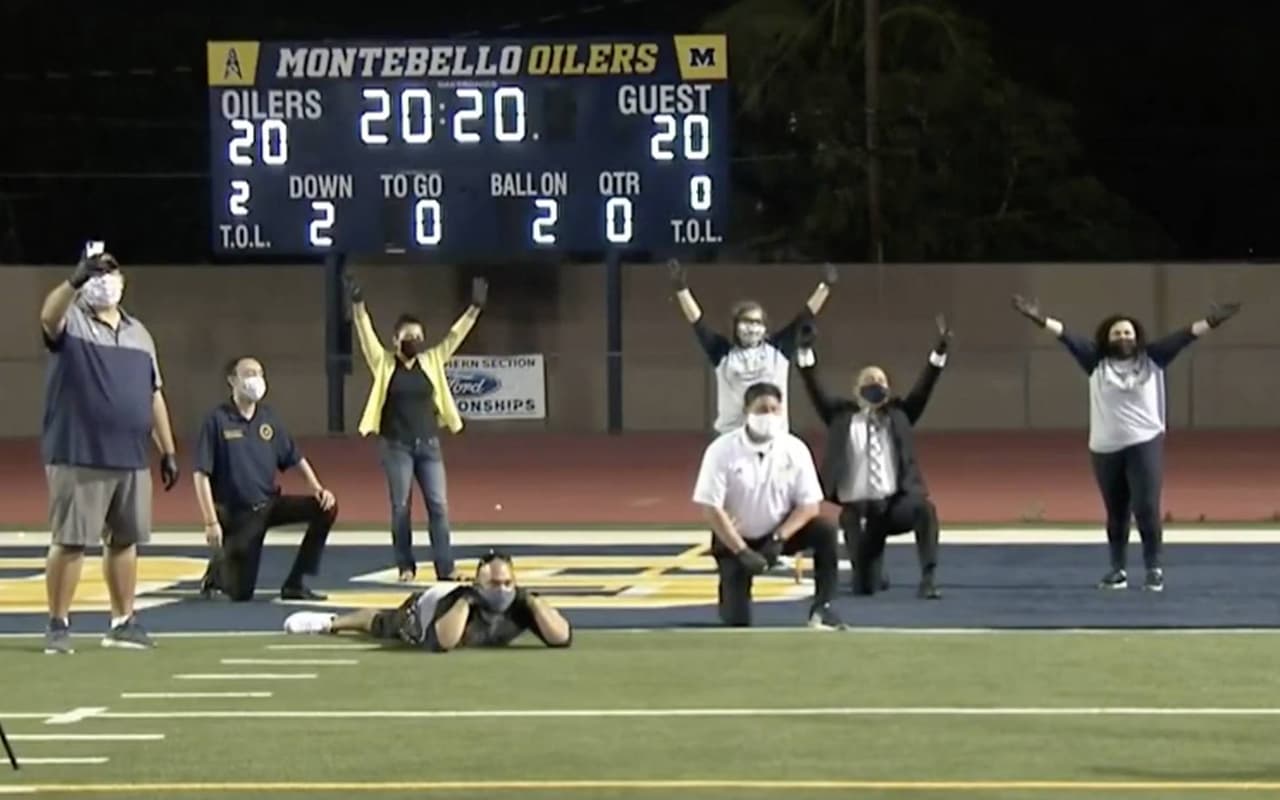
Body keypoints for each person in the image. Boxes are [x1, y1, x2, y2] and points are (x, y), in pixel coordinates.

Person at [1011, 295, 1241, 592]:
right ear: (1107, 338)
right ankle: (1117, 571)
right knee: (1116, 513)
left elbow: (1183, 337)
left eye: (1128, 332)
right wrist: (1039, 319)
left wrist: (1211, 321)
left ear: (1137, 337)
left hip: (1143, 443)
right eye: (1117, 333)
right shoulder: (1096, 362)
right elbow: (1067, 337)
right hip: (1105, 448)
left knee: (1146, 507)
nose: (1123, 337)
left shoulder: (1153, 358)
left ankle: (1153, 569)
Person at [38, 245, 180, 654]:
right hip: (79, 450)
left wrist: (167, 448)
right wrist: (73, 280)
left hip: (130, 454)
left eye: (109, 271)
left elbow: (153, 394)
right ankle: (58, 623)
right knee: (70, 540)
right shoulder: (73, 322)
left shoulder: (139, 332)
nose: (105, 279)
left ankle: (122, 620)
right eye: (96, 272)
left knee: (124, 540)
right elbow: (48, 317)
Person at [795, 317, 950, 600]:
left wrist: (939, 352)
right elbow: (814, 387)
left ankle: (928, 579)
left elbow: (924, 388)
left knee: (925, 510)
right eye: (869, 380)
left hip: (891, 506)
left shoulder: (900, 415)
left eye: (881, 381)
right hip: (856, 510)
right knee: (865, 588)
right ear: (856, 390)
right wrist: (805, 352)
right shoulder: (840, 416)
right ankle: (872, 572)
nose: (875, 384)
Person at [348, 275, 488, 583]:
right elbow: (365, 334)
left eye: (419, 336)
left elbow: (454, 336)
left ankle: (446, 567)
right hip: (395, 445)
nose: (415, 341)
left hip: (429, 445)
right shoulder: (383, 363)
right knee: (401, 507)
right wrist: (358, 305)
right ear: (396, 340)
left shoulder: (432, 360)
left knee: (439, 506)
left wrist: (474, 309)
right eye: (409, 336)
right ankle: (405, 567)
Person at [692, 381, 844, 629]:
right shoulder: (721, 450)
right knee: (737, 621)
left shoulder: (794, 449)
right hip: (735, 539)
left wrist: (778, 538)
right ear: (747, 411)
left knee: (825, 529)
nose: (769, 416)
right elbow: (711, 508)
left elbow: (809, 505)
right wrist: (742, 551)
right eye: (762, 409)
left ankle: (823, 606)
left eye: (774, 409)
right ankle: (731, 595)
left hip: (779, 532)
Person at [193, 356, 338, 602]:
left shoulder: (269, 418)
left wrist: (318, 489)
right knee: (240, 594)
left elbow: (295, 457)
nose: (256, 379)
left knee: (327, 509)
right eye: (248, 373)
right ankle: (217, 572)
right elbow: (201, 474)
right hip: (240, 513)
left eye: (259, 373)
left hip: (270, 504)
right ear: (232, 381)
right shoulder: (216, 420)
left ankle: (296, 582)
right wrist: (210, 521)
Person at [282, 550, 573, 652]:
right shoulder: (462, 601)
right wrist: (466, 602)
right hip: (424, 612)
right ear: (477, 584)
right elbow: (444, 641)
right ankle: (330, 623)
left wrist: (533, 603)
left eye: (508, 583)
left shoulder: (521, 604)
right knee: (383, 624)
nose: (502, 590)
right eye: (494, 584)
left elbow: (561, 636)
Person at [669, 259, 836, 434]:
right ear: (735, 326)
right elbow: (698, 323)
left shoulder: (778, 350)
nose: (752, 327)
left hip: (774, 437)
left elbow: (806, 315)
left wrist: (826, 286)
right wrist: (681, 289)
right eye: (746, 321)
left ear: (765, 328)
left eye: (757, 322)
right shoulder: (722, 353)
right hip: (731, 436)